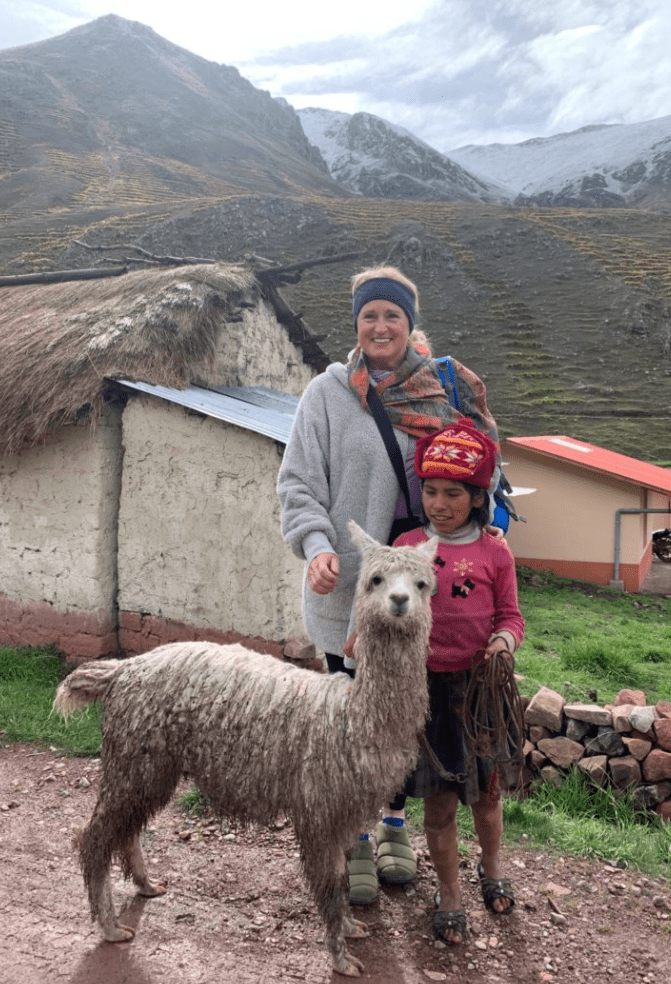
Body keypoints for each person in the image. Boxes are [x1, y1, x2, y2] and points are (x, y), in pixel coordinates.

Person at [277, 265, 500, 905]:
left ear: (409, 325)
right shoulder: (326, 394)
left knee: (404, 717)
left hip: (424, 594)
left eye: (392, 316)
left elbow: (484, 469)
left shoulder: (443, 392)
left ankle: (395, 822)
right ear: (356, 324)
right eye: (369, 315)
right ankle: (354, 837)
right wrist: (317, 547)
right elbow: (297, 484)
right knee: (350, 723)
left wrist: (491, 528)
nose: (380, 327)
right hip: (354, 587)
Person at [393, 417, 525, 945]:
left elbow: (511, 617)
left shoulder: (496, 552)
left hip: (479, 693)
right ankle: (448, 894)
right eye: (430, 490)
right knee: (440, 803)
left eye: (453, 493)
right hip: (423, 692)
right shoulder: (405, 545)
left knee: (487, 798)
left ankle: (492, 869)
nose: (439, 503)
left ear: (477, 499)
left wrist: (502, 644)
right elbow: (384, 604)